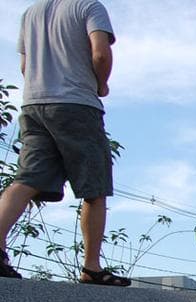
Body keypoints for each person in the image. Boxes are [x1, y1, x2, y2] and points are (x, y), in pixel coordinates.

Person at [0, 0, 129, 285]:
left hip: (33, 104)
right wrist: (101, 84)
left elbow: (24, 65)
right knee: (94, 186)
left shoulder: (30, 13)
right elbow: (100, 54)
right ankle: (91, 267)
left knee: (26, 179)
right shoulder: (88, 8)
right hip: (76, 105)